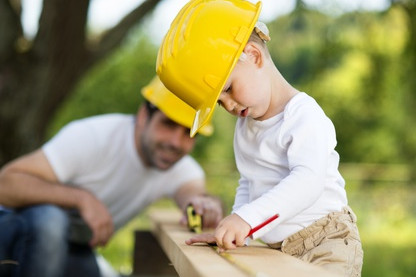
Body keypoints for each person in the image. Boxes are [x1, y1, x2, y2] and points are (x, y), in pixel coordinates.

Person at [156, 0, 363, 276]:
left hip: (326, 241)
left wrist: (247, 219)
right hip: (279, 247)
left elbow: (307, 182)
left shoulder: (302, 115)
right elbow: (249, 182)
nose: (229, 106)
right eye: (219, 102)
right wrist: (237, 230)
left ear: (253, 55)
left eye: (228, 89)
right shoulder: (246, 126)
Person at [0, 76, 223, 277]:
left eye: (189, 133)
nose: (176, 142)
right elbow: (6, 184)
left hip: (74, 247)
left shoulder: (181, 168)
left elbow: (193, 195)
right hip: (12, 235)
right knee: (50, 221)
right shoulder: (93, 137)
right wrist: (82, 199)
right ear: (144, 116)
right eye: (168, 124)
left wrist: (205, 205)